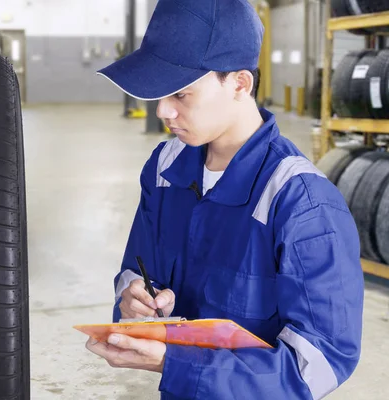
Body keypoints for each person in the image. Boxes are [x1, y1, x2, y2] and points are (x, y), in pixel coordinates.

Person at [84, 0, 364, 399]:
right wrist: (134, 304)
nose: (163, 110)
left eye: (181, 94)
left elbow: (317, 364)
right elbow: (136, 270)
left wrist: (173, 362)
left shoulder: (303, 204)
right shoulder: (165, 170)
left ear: (239, 84)